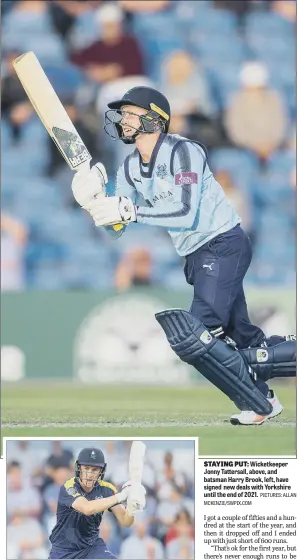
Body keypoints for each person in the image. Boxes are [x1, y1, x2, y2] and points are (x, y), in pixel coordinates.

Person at [71, 86, 296, 426]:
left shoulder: (183, 151)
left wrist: (128, 210)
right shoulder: (130, 165)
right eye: (124, 114)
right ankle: (262, 398)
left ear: (155, 119)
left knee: (196, 333)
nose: (124, 119)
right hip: (196, 255)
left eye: (131, 112)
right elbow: (117, 226)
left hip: (222, 242)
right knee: (243, 337)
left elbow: (185, 213)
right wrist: (94, 204)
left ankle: (256, 398)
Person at [48, 447, 146, 559]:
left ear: (101, 471)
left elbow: (126, 521)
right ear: (78, 467)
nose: (89, 474)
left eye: (94, 470)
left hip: (92, 548)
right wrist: (122, 495)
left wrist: (131, 508)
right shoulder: (68, 487)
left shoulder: (107, 489)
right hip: (64, 550)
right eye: (86, 468)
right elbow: (87, 508)